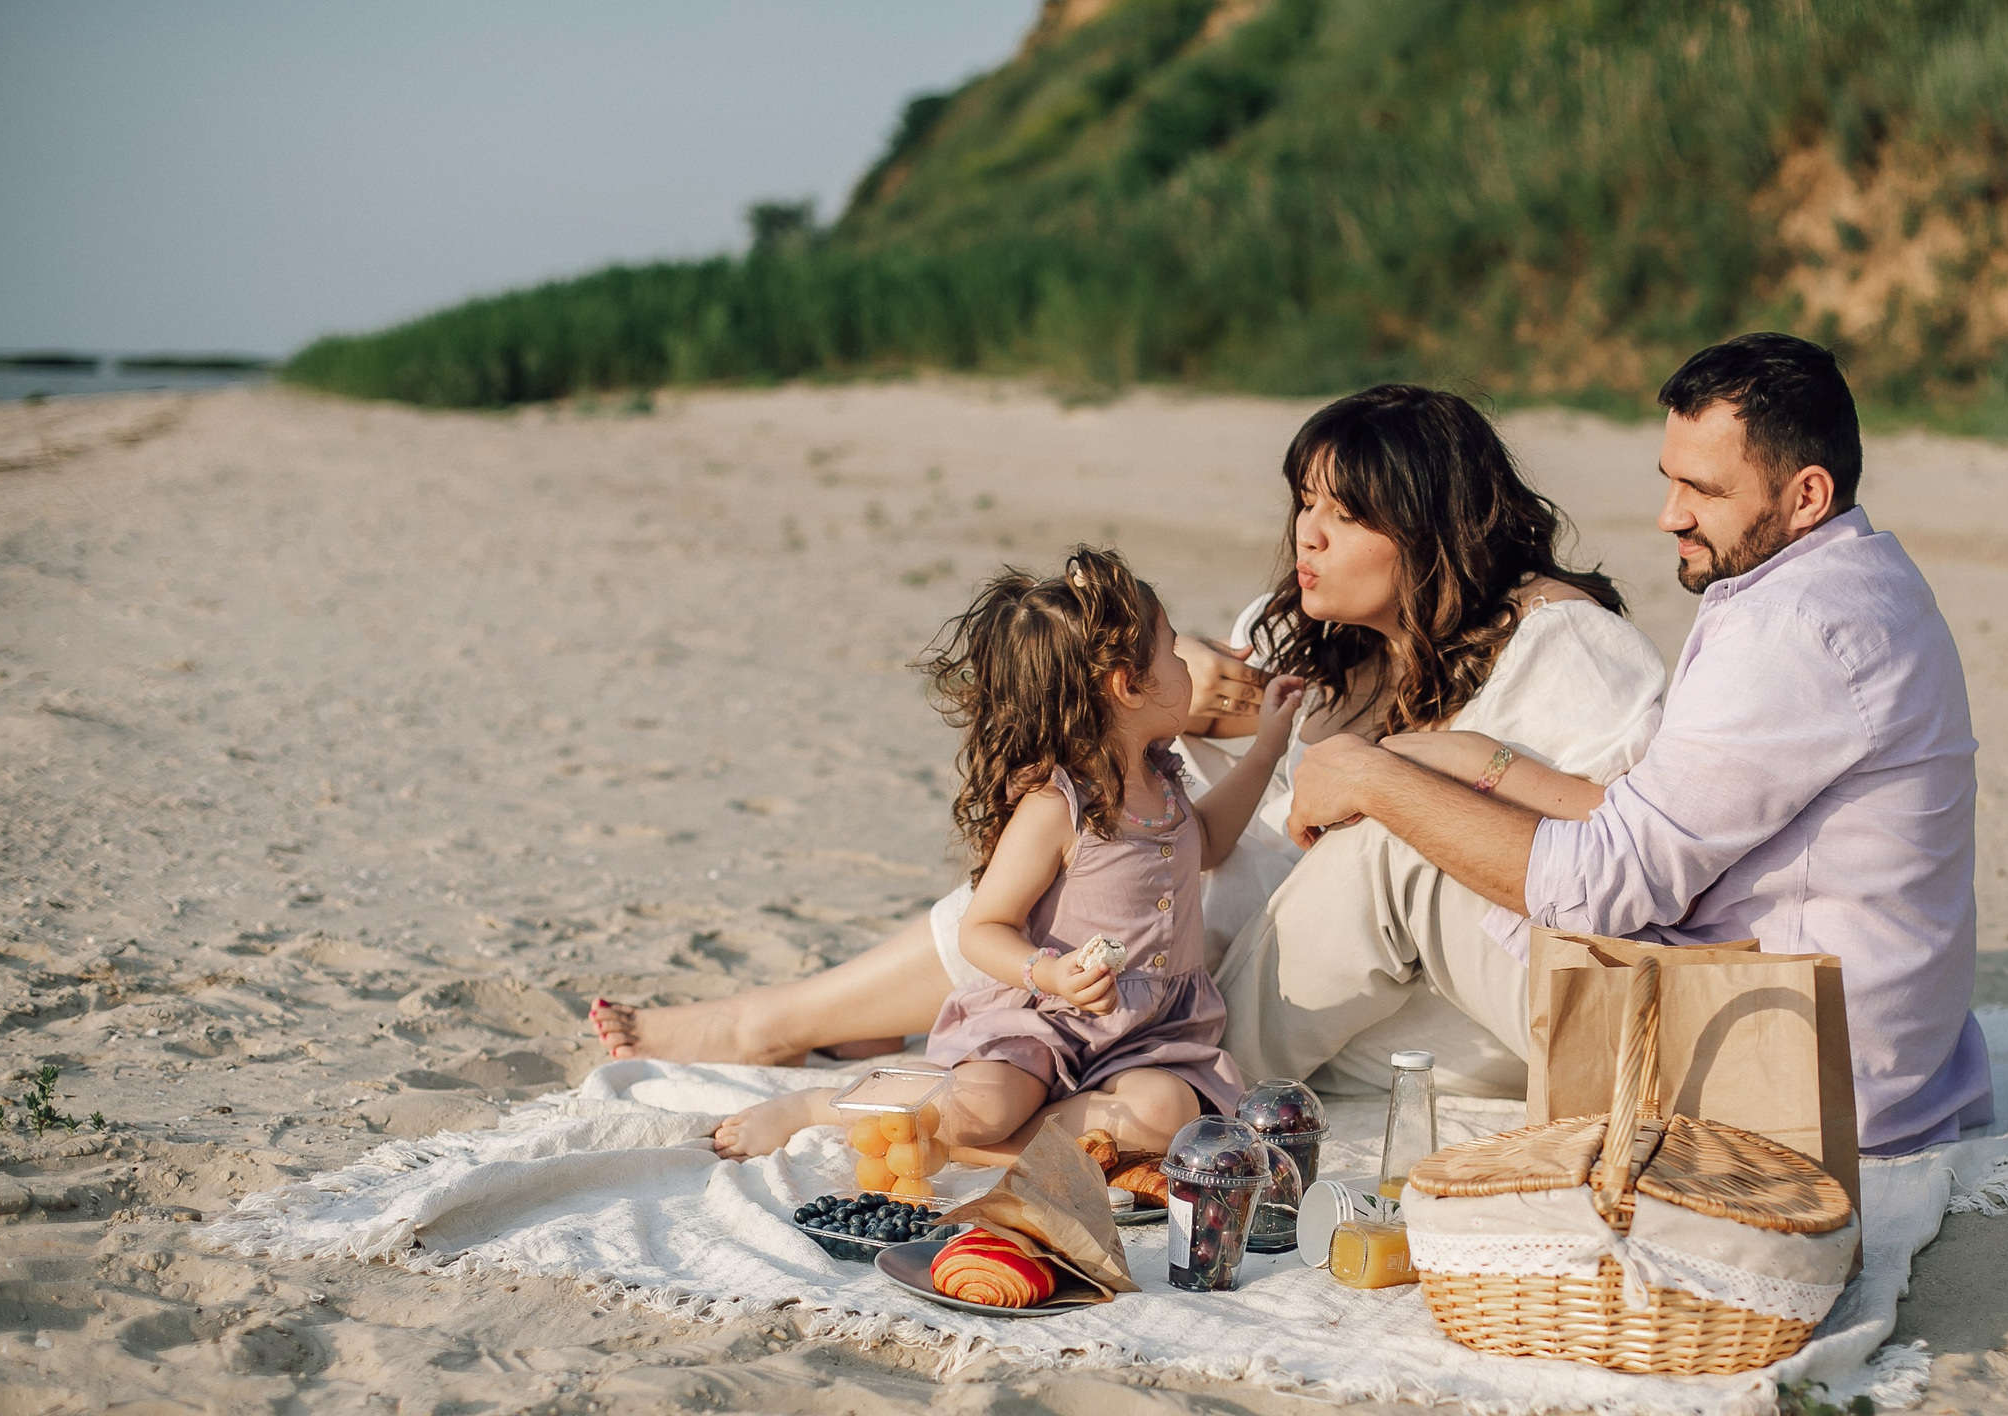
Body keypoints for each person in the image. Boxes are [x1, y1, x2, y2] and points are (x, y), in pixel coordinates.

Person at [594, 385, 1671, 1094]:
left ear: (1431, 528)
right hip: (1282, 955)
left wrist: (1417, 771)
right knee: (1113, 835)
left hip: (1437, 990)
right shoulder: (1324, 639)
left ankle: (812, 1031)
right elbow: (1182, 737)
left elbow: (1631, 854)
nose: (1306, 536)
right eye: (1303, 502)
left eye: (1342, 517)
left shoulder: (1562, 647)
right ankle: (787, 1023)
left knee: (1179, 875)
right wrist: (1193, 693)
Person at [1228, 333, 1993, 1154]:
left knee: (1391, 851)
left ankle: (1198, 1079)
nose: (1670, 515)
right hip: (1854, 1049)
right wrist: (1450, 757)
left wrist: (1378, 783)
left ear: (1807, 494)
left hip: (1776, 1068)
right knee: (1408, 839)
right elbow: (1638, 815)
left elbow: (1605, 884)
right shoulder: (1862, 580)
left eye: (1701, 489)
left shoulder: (1791, 631)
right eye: (1669, 480)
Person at [707, 547, 1305, 1160]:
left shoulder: (1163, 780)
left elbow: (1204, 843)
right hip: (1042, 1024)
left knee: (1166, 1112)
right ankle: (823, 1108)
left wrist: (1265, 751)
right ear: (1127, 686)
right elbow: (982, 928)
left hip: (1146, 1037)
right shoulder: (1056, 808)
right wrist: (1048, 973)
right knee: (984, 1106)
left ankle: (958, 1147)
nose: (1186, 665)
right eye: (1174, 651)